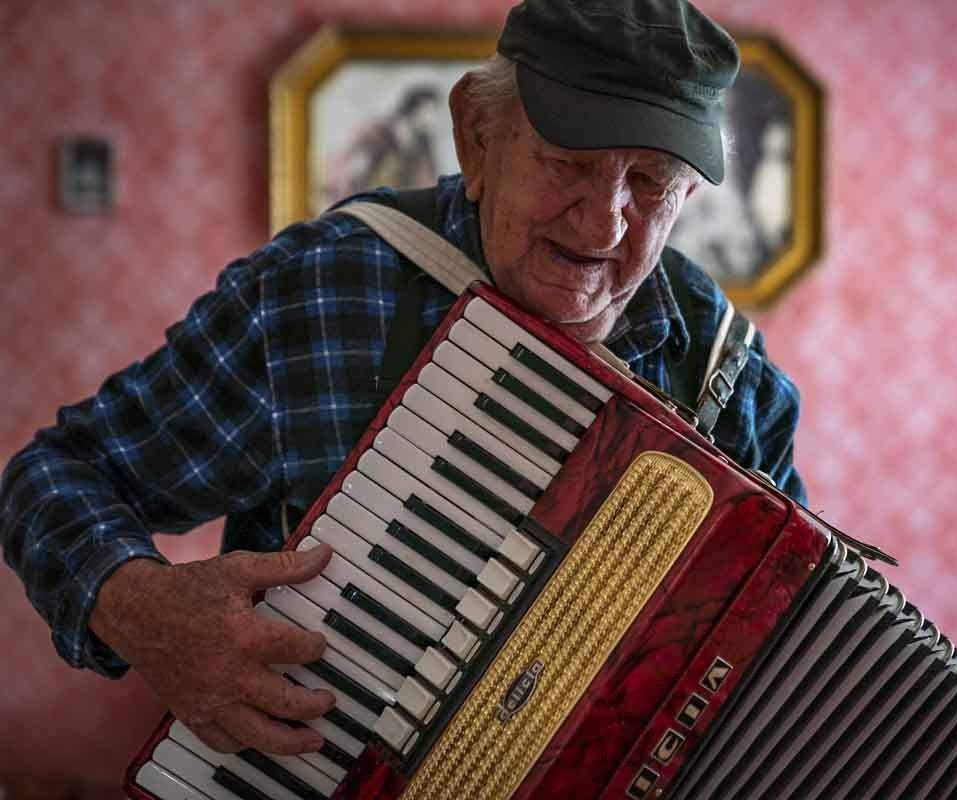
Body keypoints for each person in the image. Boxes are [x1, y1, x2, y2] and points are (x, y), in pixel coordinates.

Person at [0, 0, 806, 763]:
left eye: (650, 183)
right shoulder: (319, 292)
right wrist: (145, 610)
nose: (603, 223)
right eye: (569, 162)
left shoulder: (731, 377)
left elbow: (783, 645)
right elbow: (53, 478)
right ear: (478, 138)